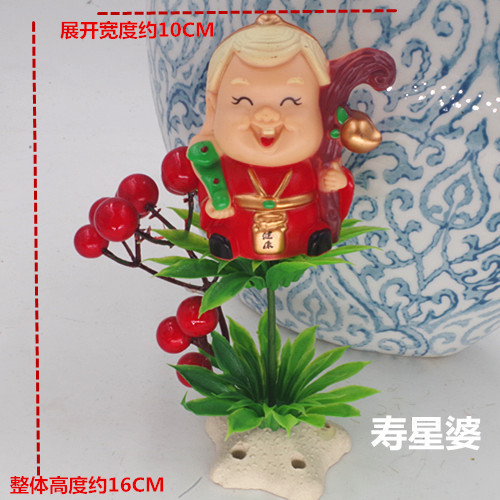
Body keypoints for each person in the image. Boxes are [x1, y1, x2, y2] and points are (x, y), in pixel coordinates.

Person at [162, 14, 396, 260]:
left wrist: (336, 180)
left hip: (300, 220)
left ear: (318, 108)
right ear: (214, 105)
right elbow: (211, 188)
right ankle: (225, 237)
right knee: (226, 229)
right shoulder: (220, 166)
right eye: (241, 100)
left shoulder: (312, 165)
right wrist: (213, 206)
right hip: (241, 223)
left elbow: (334, 187)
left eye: (292, 101)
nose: (266, 115)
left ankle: (313, 234)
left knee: (313, 226)